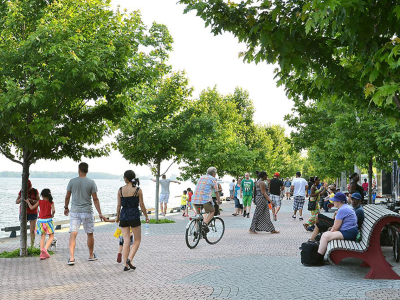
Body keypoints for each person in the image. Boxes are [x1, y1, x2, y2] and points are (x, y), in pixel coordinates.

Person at [64, 162, 104, 266]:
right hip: (87, 211)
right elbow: (95, 199)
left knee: (73, 233)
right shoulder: (91, 182)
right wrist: (100, 213)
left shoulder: (72, 182)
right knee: (89, 233)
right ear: (87, 170)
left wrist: (66, 207)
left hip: (75, 212)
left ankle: (72, 258)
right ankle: (91, 255)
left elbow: (67, 196)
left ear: (79, 170)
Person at [116, 170, 149, 271]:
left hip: (124, 216)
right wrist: (146, 216)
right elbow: (142, 205)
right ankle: (129, 259)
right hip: (134, 216)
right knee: (137, 240)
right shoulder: (138, 190)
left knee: (126, 241)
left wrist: (118, 216)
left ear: (125, 178)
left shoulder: (120, 190)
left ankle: (125, 265)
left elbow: (118, 205)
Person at [315, 192, 359, 265]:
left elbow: (335, 228)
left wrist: (329, 232)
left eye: (334, 200)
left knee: (325, 236)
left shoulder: (342, 210)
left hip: (348, 232)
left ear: (339, 201)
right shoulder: (346, 207)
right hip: (351, 231)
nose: (333, 202)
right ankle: (319, 257)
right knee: (326, 234)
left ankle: (318, 260)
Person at [25, 189, 55, 260]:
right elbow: (53, 210)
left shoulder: (39, 202)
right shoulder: (51, 202)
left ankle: (42, 254)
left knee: (42, 237)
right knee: (51, 236)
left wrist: (28, 202)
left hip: (40, 221)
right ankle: (45, 249)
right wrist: (52, 215)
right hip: (48, 221)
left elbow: (32, 208)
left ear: (42, 195)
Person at [192, 167, 220, 232]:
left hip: (195, 199)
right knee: (212, 211)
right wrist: (218, 201)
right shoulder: (213, 179)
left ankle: (197, 231)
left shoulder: (201, 177)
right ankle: (205, 224)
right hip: (205, 200)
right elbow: (216, 191)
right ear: (214, 174)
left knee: (198, 215)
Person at [16, 179, 39, 247]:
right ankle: (23, 245)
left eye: (28, 187)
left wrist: (31, 201)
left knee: (32, 230)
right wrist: (22, 198)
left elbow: (39, 201)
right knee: (23, 229)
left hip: (33, 212)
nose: (27, 189)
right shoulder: (21, 191)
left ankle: (32, 245)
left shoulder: (35, 191)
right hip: (23, 212)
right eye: (26, 188)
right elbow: (16, 201)